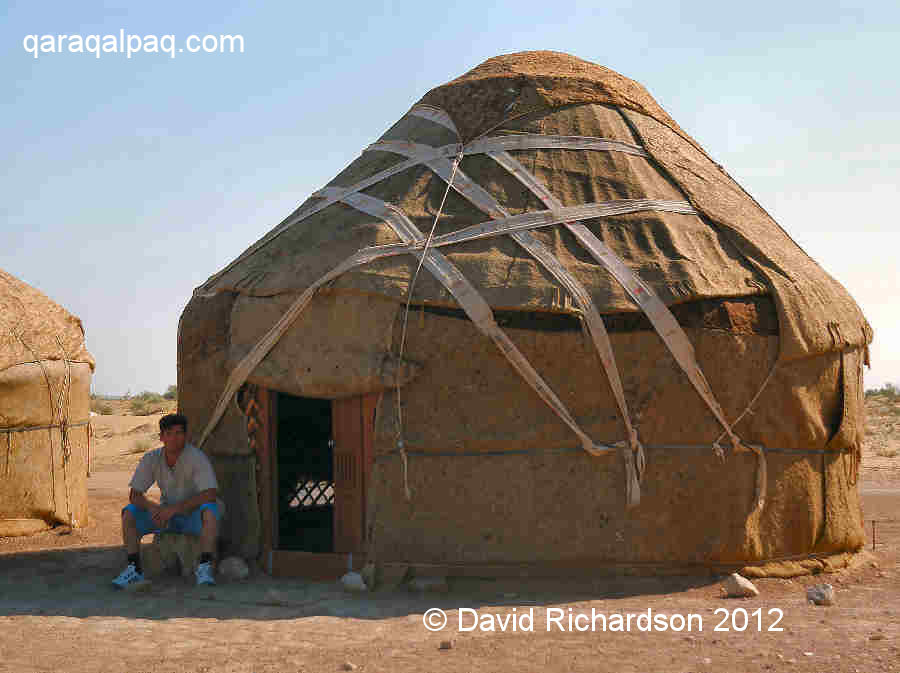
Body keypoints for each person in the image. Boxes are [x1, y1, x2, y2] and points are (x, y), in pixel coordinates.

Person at [111, 413, 223, 588]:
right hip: (165, 515)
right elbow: (135, 495)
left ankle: (204, 566)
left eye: (179, 433)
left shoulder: (197, 458)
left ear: (186, 436)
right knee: (129, 512)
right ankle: (134, 569)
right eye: (169, 433)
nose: (174, 438)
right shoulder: (151, 458)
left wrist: (176, 509)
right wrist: (152, 507)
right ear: (161, 437)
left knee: (211, 510)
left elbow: (211, 493)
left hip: (191, 515)